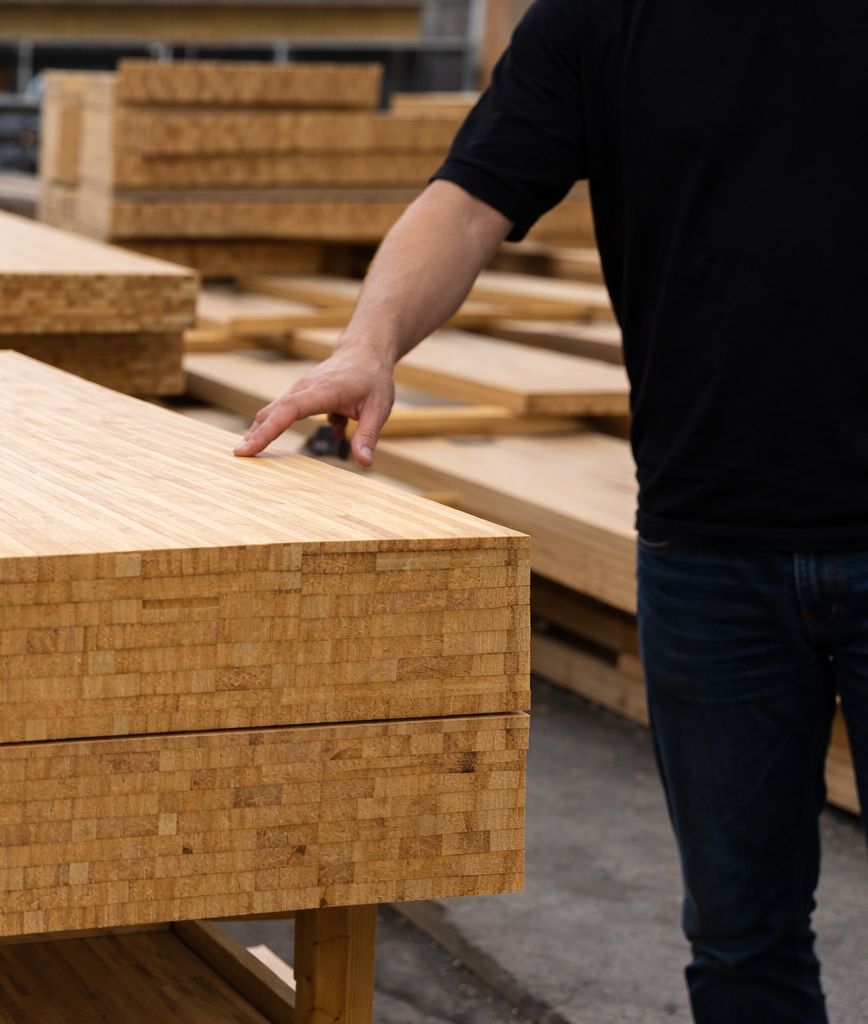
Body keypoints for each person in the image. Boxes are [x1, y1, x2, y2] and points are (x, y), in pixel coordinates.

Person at [234, 4, 868, 1023]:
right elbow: (469, 200)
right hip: (707, 550)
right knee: (742, 940)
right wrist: (370, 341)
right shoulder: (600, 15)